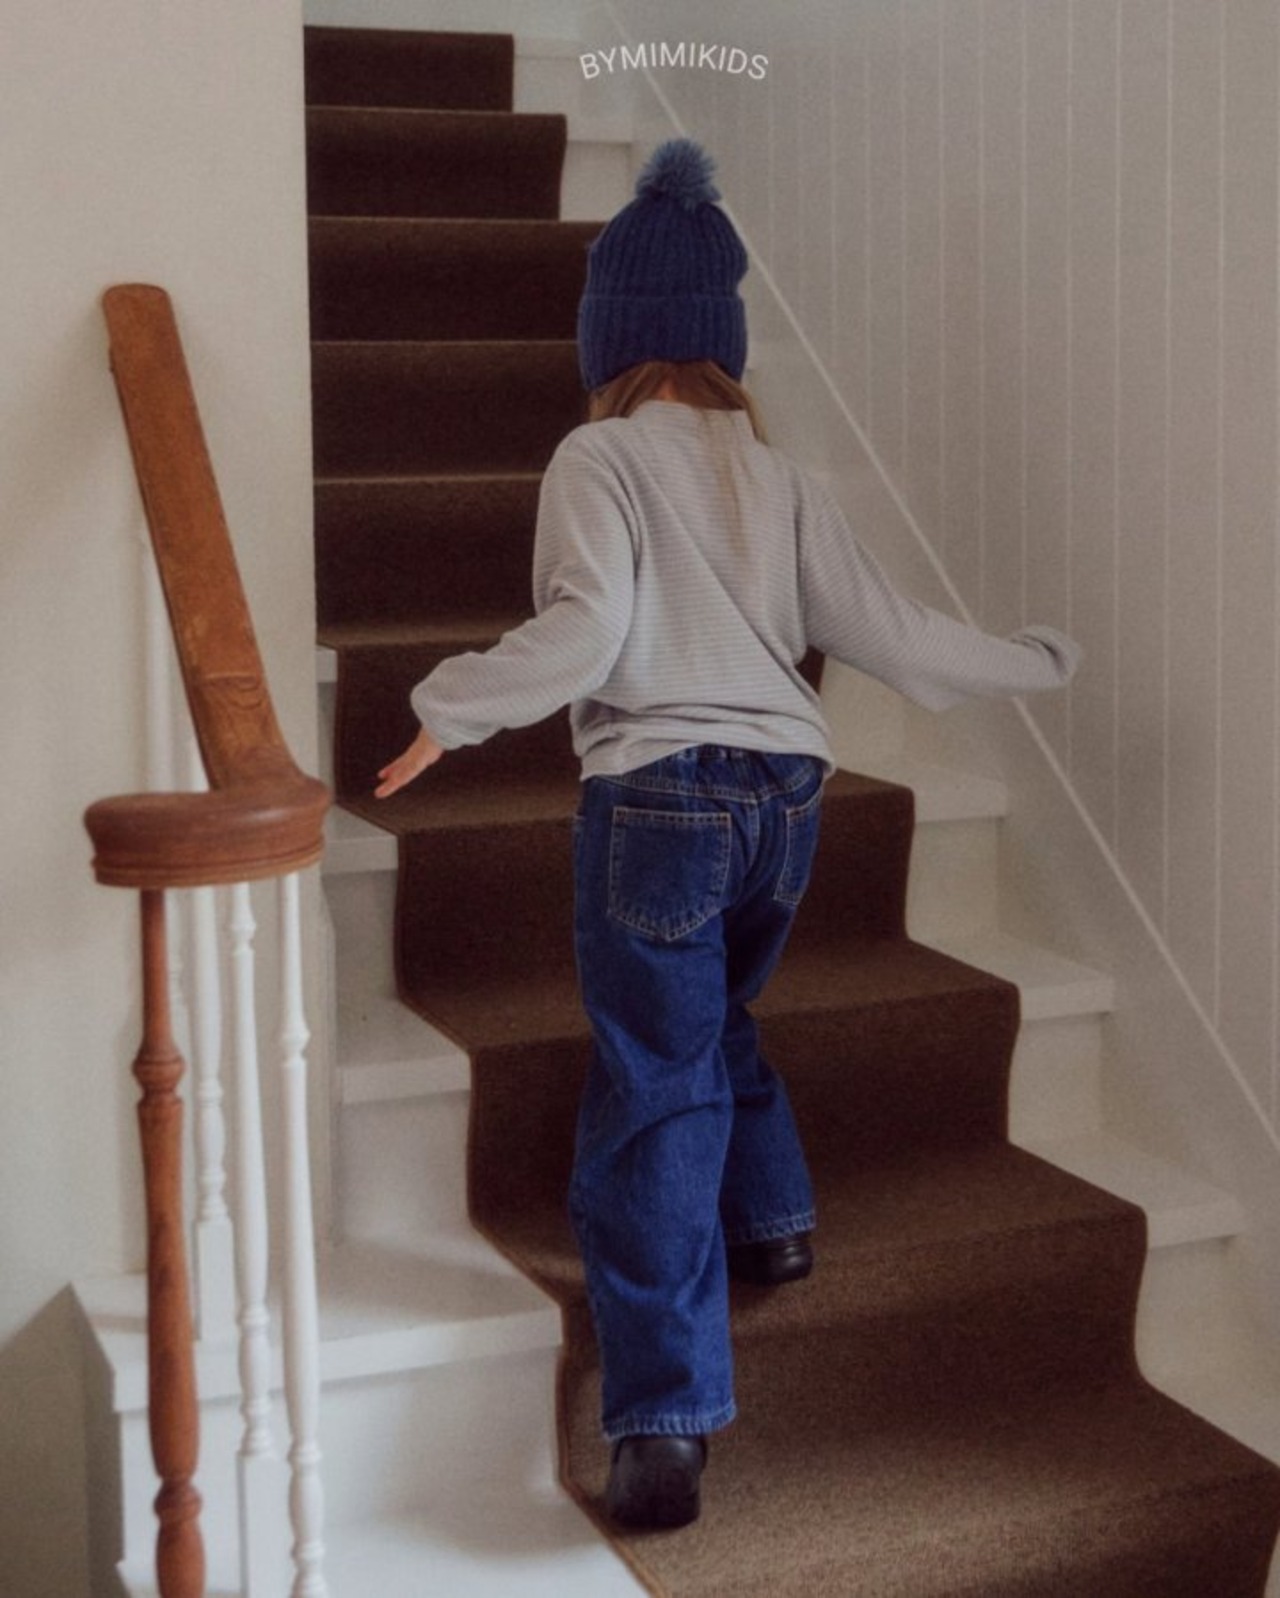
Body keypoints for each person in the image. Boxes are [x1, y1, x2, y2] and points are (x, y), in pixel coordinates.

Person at [374, 138, 1080, 1532]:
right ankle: (776, 1219)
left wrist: (445, 709)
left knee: (655, 1082)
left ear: (610, 340)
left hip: (659, 800)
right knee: (714, 1015)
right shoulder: (779, 471)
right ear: (723, 343)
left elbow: (586, 633)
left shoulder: (597, 455)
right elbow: (897, 639)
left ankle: (665, 1416)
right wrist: (1033, 660)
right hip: (788, 806)